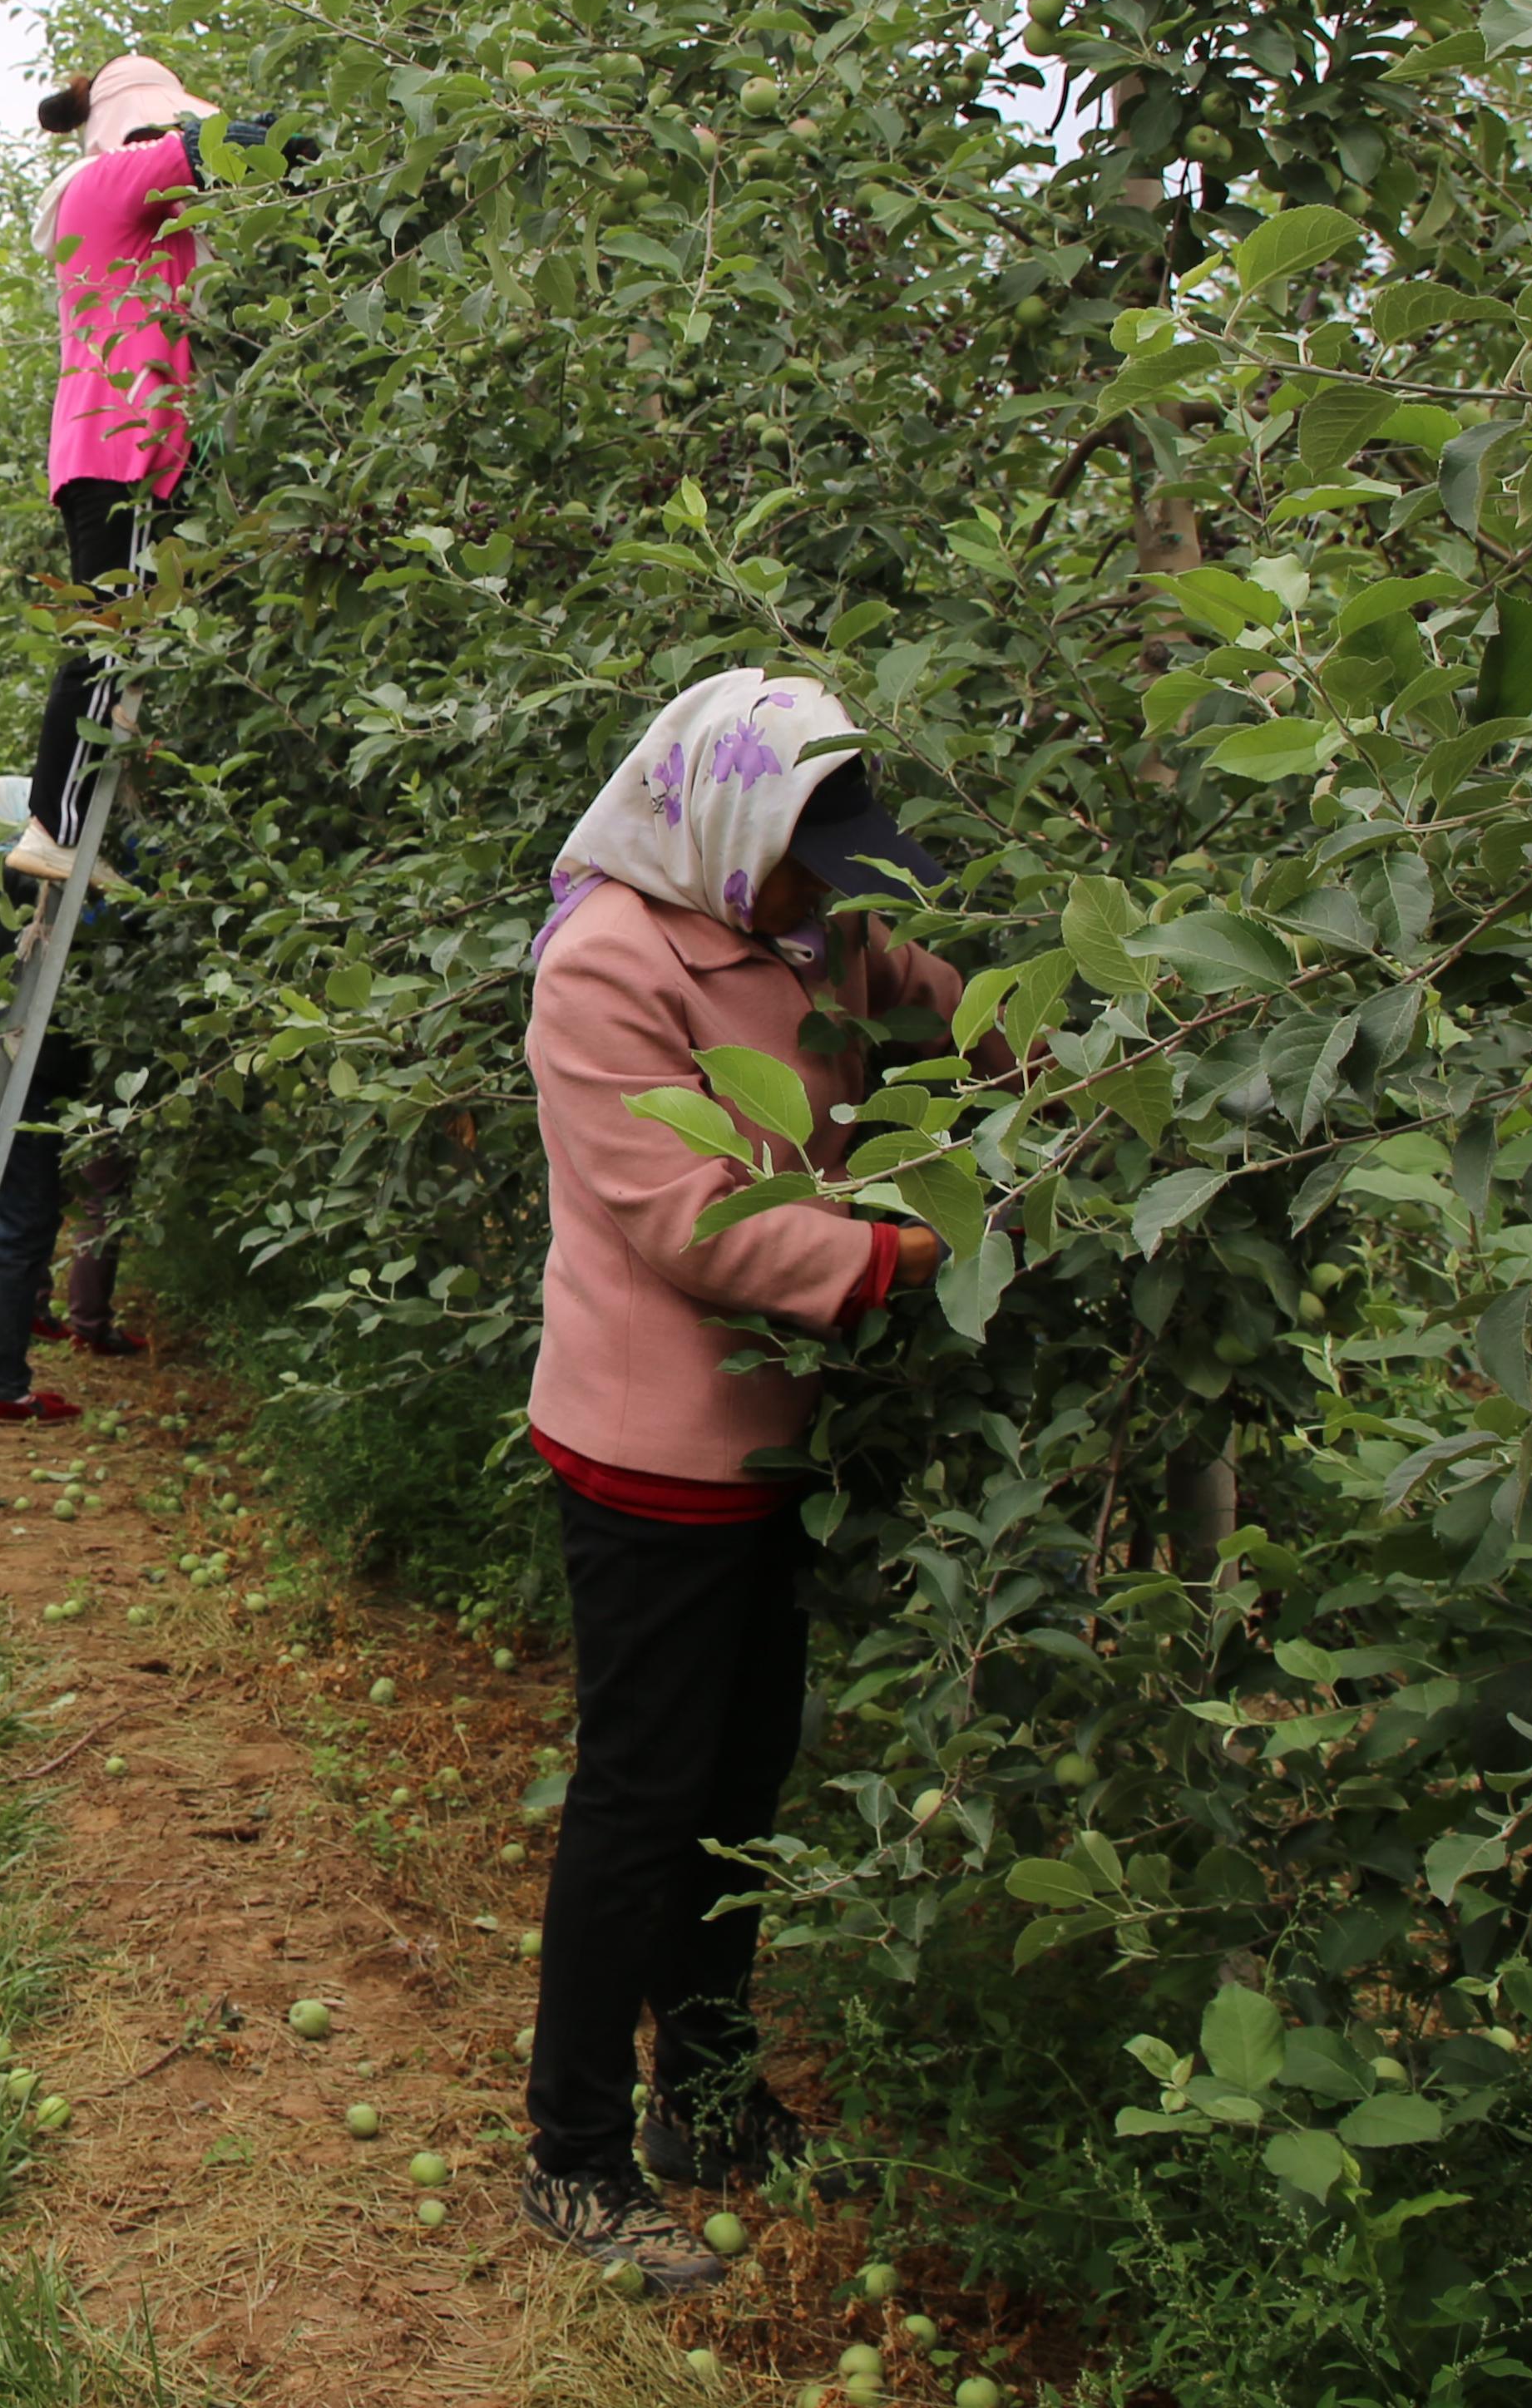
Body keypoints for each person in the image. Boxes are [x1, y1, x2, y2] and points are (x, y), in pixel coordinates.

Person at [508, 668, 974, 2286]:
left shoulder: (812, 932)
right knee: (642, 1807)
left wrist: (1085, 1059)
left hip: (779, 1441)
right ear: (717, 826)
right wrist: (919, 1257)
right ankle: (572, 2151)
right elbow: (688, 1220)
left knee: (738, 1796)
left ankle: (703, 2097)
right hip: (650, 1456)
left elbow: (946, 995)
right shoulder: (609, 967)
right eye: (798, 855)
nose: (822, 895)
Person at [3, 52, 218, 885]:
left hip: (120, 448)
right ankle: (53, 826)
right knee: (105, 638)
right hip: (117, 446)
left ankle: (70, 820)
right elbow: (237, 144)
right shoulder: (120, 177)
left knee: (114, 634)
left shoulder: (115, 201)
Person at [0, 772, 132, 1419]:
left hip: (6, 1062)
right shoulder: (16, 875)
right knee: (25, 1221)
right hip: (34, 1067)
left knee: (3, 1227)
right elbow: (103, 905)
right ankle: (2, 1387)